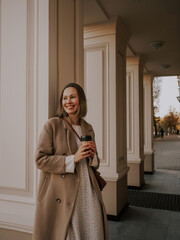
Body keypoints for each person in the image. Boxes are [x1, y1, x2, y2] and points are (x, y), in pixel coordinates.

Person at [33, 83, 108, 240]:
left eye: (73, 97)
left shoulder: (88, 127)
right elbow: (40, 160)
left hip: (88, 191)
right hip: (64, 193)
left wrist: (93, 157)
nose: (68, 101)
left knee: (93, 231)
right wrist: (73, 158)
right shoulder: (52, 125)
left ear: (81, 100)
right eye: (65, 98)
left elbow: (96, 163)